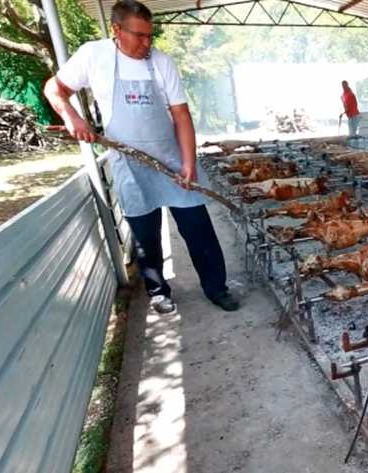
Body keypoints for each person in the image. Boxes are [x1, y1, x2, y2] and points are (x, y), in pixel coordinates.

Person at [43, 0, 240, 314]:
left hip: (171, 158)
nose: (147, 44)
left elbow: (181, 115)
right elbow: (55, 88)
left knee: (198, 227)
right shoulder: (93, 55)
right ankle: (159, 291)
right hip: (129, 163)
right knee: (145, 234)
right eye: (139, 36)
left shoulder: (162, 63)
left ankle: (217, 288)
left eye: (150, 36)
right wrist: (72, 117)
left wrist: (188, 163)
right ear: (117, 30)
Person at [339, 80, 360, 147]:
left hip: (353, 115)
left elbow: (349, 107)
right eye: (342, 86)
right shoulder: (345, 94)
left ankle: (354, 147)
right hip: (351, 115)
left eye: (344, 86)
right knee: (351, 131)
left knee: (353, 133)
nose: (343, 87)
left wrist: (342, 113)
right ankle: (352, 146)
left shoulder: (349, 95)